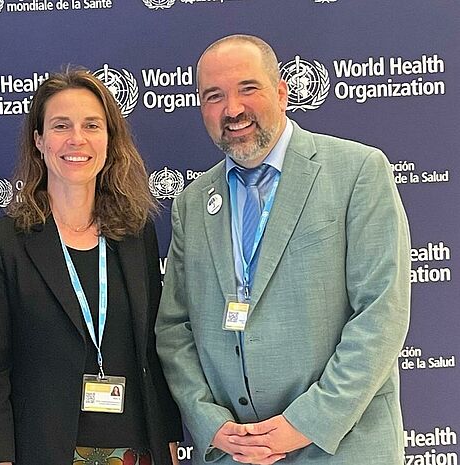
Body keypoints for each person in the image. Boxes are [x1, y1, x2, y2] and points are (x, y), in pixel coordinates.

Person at [156, 34, 410, 465]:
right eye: (214, 96)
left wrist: (305, 423)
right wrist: (210, 424)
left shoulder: (358, 171)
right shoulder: (193, 202)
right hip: (232, 453)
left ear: (281, 91)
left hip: (338, 448)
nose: (232, 109)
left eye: (247, 89)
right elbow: (174, 329)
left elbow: (381, 314)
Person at [0, 69, 182, 465]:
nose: (77, 139)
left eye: (91, 125)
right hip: (45, 450)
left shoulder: (136, 235)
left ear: (109, 139)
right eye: (61, 126)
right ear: (39, 141)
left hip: (137, 450)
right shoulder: (3, 244)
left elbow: (155, 350)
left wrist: (168, 436)